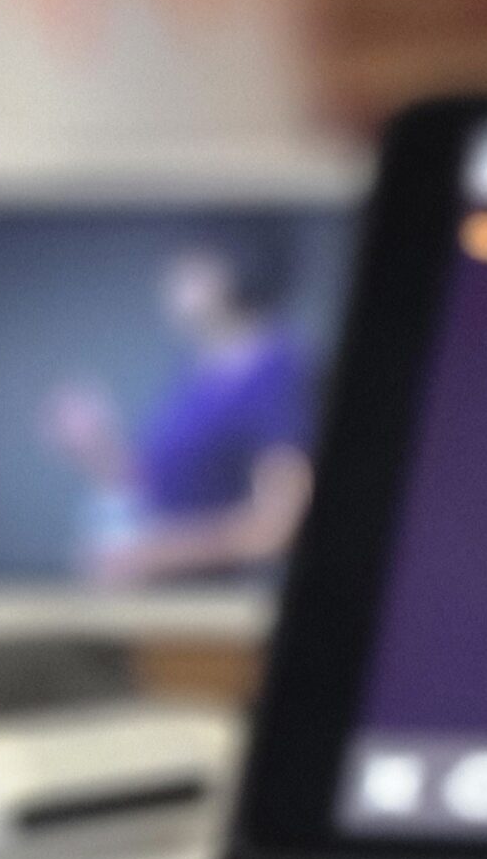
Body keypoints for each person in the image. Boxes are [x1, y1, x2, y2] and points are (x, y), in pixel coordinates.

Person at [43, 221, 314, 586]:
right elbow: (168, 493)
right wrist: (97, 448)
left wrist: (147, 554)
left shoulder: (275, 373)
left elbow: (279, 526)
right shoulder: (201, 370)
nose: (169, 280)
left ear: (231, 269)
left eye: (187, 265)